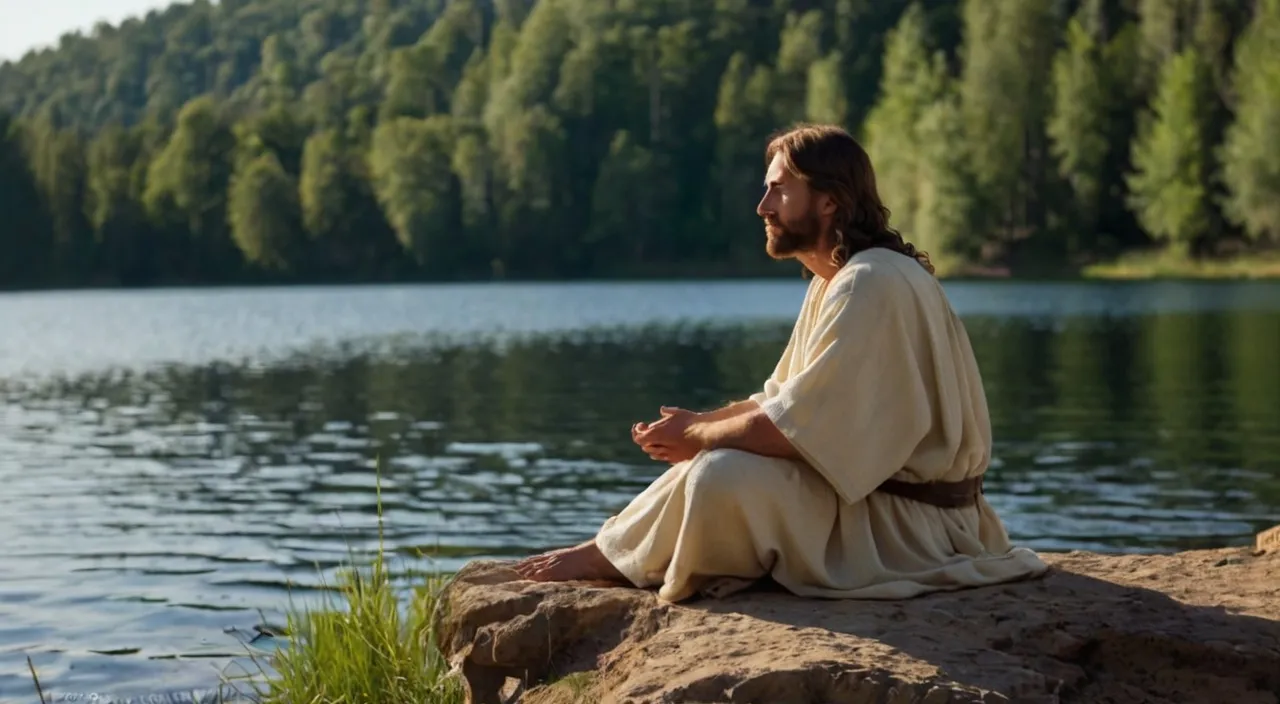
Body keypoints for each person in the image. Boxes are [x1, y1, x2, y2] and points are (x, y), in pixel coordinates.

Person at [513, 123, 1049, 602]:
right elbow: (784, 401)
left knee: (720, 474)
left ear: (829, 202)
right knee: (712, 460)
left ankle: (603, 560)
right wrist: (700, 424)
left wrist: (700, 438)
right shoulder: (842, 279)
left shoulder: (869, 283)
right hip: (895, 514)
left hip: (909, 532)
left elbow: (794, 430)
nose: (762, 206)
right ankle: (605, 552)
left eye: (779, 188)